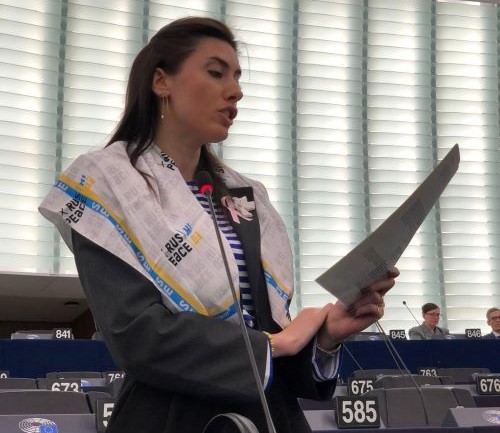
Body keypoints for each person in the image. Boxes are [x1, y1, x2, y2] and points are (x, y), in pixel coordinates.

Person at [39, 17, 398, 433]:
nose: (235, 91)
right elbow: (136, 334)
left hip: (268, 416)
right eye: (216, 73)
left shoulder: (244, 194)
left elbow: (267, 333)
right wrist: (271, 345)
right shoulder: (107, 185)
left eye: (238, 77)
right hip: (171, 417)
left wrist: (326, 336)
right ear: (161, 81)